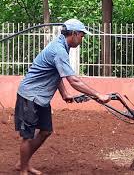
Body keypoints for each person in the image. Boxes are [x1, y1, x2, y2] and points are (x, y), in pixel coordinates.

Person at [14, 19, 110, 175]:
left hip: (41, 97)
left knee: (45, 131)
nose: (82, 38)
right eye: (82, 35)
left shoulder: (62, 47)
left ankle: (22, 163)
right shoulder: (59, 50)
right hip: (29, 96)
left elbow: (57, 73)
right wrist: (98, 94)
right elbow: (74, 80)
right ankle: (23, 170)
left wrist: (64, 93)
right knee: (28, 136)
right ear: (73, 34)